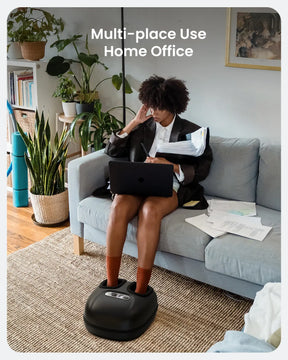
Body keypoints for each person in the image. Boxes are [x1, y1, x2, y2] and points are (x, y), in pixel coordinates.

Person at [104, 75, 212, 294]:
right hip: (138, 181)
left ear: (173, 105)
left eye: (159, 107)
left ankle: (141, 288)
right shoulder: (142, 126)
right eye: (150, 105)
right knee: (118, 205)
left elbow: (203, 169)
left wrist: (171, 165)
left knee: (150, 210)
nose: (153, 111)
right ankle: (111, 282)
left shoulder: (191, 131)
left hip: (168, 185)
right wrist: (134, 123)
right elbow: (111, 151)